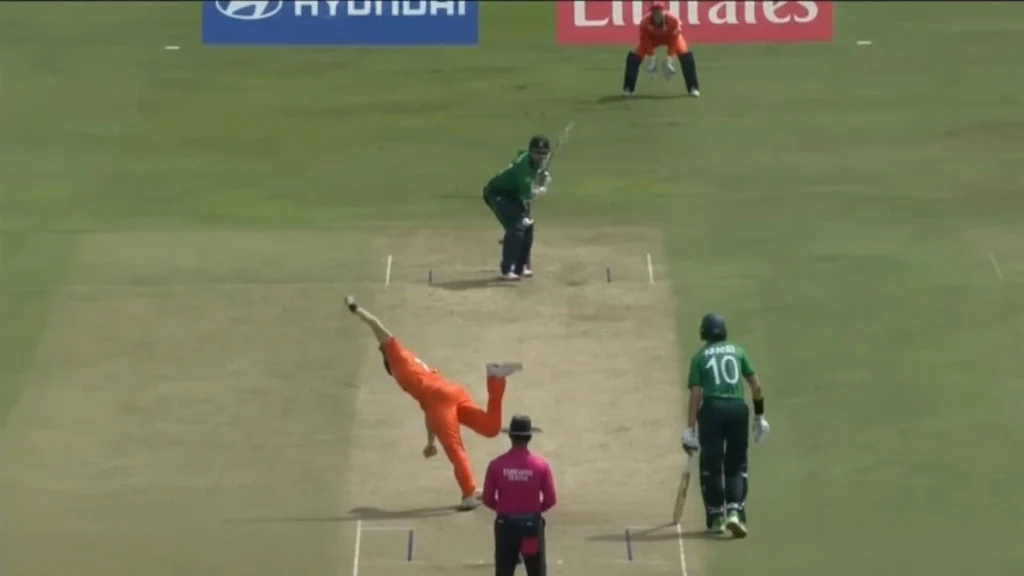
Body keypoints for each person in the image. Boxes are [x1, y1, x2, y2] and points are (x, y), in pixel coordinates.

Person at [345, 295, 523, 510]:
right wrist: (430, 441)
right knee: (490, 428)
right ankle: (495, 378)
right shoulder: (407, 366)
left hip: (440, 398)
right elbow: (429, 414)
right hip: (451, 390)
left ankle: (468, 494)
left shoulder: (397, 358)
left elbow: (375, 324)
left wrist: (356, 308)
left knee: (455, 449)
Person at [681, 313, 769, 538]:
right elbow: (756, 386)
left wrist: (690, 428)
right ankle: (735, 513)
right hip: (738, 411)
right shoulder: (738, 351)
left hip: (712, 411)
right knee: (737, 465)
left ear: (704, 333)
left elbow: (696, 394)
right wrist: (759, 416)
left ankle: (717, 517)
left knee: (711, 466)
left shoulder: (699, 358)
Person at [481, 415, 556, 576]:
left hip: (506, 526)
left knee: (504, 571)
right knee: (536, 571)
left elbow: (487, 499)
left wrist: (503, 507)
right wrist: (534, 510)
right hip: (531, 526)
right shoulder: (540, 466)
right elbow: (550, 500)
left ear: (510, 436)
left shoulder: (496, 465)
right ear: (529, 437)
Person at [482, 135, 553, 281]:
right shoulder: (524, 168)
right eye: (537, 153)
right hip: (496, 193)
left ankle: (521, 267)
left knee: (528, 227)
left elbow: (524, 158)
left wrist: (542, 177)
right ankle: (508, 269)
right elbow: (528, 196)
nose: (541, 156)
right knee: (516, 227)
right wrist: (540, 188)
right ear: (531, 151)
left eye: (544, 153)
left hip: (512, 193)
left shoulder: (534, 162)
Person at [621, 1, 701, 97]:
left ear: (663, 11)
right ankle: (629, 89)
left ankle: (693, 88)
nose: (656, 14)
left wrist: (669, 58)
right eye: (654, 11)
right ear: (651, 12)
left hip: (670, 38)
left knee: (686, 57)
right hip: (652, 39)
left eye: (658, 11)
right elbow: (645, 40)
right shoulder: (644, 23)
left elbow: (674, 39)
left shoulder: (673, 20)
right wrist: (652, 58)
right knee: (633, 58)